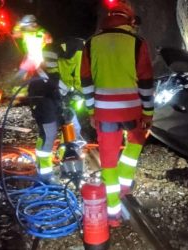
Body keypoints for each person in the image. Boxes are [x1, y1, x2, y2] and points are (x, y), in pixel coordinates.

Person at [81, 1, 154, 227]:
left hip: (105, 113)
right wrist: (148, 112)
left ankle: (113, 215)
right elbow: (145, 82)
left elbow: (86, 82)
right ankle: (124, 185)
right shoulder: (137, 42)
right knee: (133, 148)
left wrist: (92, 110)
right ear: (130, 21)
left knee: (108, 162)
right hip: (132, 111)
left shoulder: (92, 43)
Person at [28, 37, 84, 184]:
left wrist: (75, 94)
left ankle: (67, 165)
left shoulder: (87, 55)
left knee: (73, 129)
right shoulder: (61, 49)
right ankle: (44, 175)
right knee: (49, 133)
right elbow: (50, 75)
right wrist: (66, 91)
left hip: (62, 96)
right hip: (43, 95)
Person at [12, 14, 52, 80]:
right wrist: (18, 26)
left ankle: (17, 83)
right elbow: (15, 34)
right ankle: (23, 83)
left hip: (37, 59)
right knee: (27, 73)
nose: (24, 28)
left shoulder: (42, 32)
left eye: (26, 26)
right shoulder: (26, 33)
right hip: (29, 57)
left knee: (23, 72)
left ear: (33, 25)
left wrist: (47, 38)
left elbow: (49, 40)